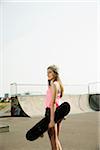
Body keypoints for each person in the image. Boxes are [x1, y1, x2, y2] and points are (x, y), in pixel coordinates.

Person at [45, 65, 64, 150]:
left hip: (52, 113)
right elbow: (57, 101)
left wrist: (52, 121)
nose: (48, 74)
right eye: (47, 73)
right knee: (56, 139)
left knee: (53, 143)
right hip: (58, 112)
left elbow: (52, 103)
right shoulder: (58, 84)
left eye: (50, 72)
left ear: (55, 73)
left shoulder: (54, 85)